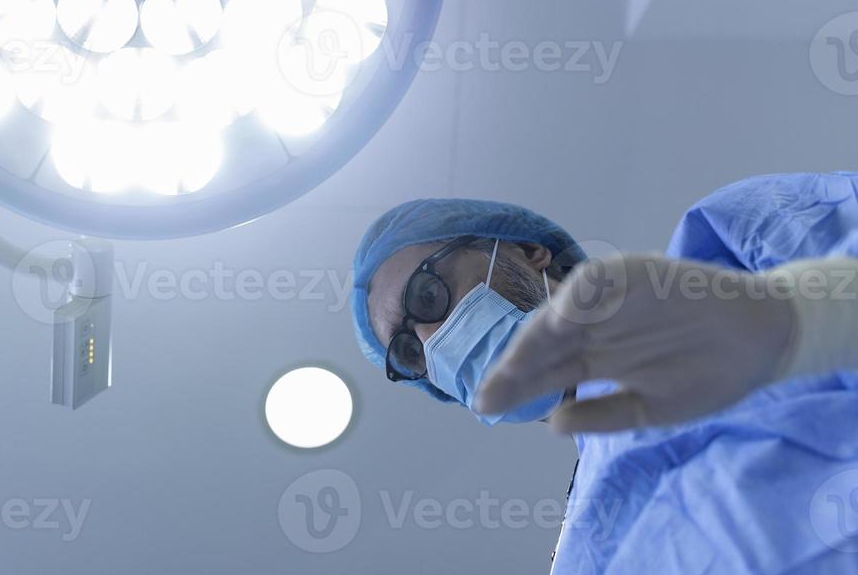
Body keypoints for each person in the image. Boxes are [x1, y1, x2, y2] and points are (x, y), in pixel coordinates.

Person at [351, 172, 858, 573]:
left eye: (427, 294)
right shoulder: (580, 544)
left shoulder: (721, 244)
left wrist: (800, 320)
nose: (431, 340)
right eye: (408, 354)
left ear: (528, 252)